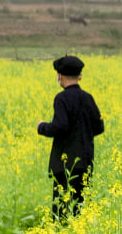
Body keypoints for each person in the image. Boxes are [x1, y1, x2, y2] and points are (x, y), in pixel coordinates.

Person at [36, 55, 104, 221]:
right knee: (80, 207)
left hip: (65, 165)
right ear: (79, 76)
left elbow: (60, 126)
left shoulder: (61, 98)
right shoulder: (88, 98)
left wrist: (42, 127)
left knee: (61, 209)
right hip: (85, 161)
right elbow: (99, 127)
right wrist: (84, 134)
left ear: (59, 76)